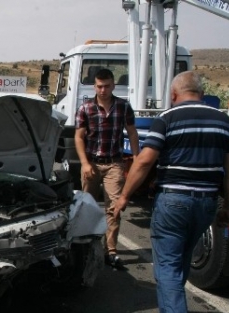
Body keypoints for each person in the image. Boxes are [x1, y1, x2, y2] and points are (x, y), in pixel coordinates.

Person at [113, 71, 229, 313]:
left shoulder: (167, 118)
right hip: (207, 203)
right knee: (182, 260)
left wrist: (124, 197)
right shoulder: (225, 123)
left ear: (173, 94)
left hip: (173, 201)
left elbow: (145, 161)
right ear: (201, 94)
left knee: (168, 267)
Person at [74, 68, 139, 270]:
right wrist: (84, 163)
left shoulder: (123, 106)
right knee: (88, 207)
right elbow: (79, 137)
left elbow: (132, 132)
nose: (103, 90)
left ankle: (110, 251)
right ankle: (84, 248)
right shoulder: (85, 108)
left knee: (115, 207)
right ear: (95, 86)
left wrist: (137, 157)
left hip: (114, 163)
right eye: (99, 86)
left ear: (113, 85)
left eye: (107, 86)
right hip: (92, 163)